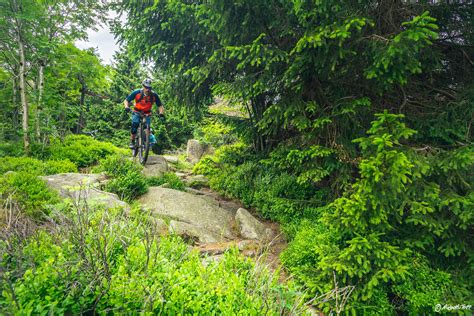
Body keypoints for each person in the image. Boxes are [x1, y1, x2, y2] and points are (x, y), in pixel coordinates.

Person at [124, 78, 165, 148]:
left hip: (147, 113)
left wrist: (161, 113)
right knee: (135, 124)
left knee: (147, 127)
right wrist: (126, 107)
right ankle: (132, 141)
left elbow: (160, 106)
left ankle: (146, 142)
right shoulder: (137, 92)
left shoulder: (154, 95)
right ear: (143, 86)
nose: (147, 89)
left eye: (149, 88)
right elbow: (126, 100)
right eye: (146, 87)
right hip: (137, 111)